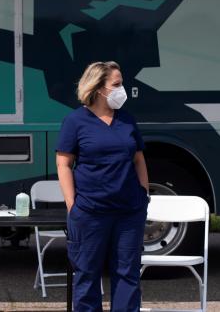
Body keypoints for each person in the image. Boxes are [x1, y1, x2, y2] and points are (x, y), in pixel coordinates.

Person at [56, 61, 150, 311]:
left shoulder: (127, 120)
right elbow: (63, 164)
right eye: (117, 85)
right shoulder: (75, 121)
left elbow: (139, 159)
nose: (123, 90)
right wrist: (72, 206)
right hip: (90, 212)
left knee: (128, 275)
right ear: (99, 88)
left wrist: (144, 194)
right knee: (87, 276)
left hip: (129, 212)